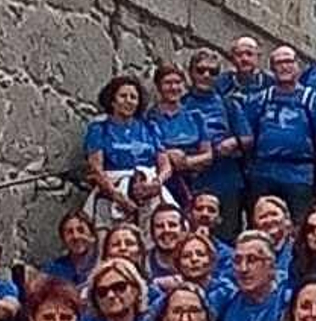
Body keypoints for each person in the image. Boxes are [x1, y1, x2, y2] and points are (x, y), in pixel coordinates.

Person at [249, 45, 316, 219]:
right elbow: (249, 137)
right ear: (271, 68)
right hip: (264, 171)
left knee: (299, 224)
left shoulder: (313, 99)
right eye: (279, 63)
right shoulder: (260, 99)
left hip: (300, 173)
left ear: (297, 66)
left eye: (289, 61)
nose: (284, 67)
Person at [82, 74, 170, 225]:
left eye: (133, 97)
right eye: (123, 96)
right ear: (112, 100)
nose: (129, 101)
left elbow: (165, 165)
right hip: (112, 191)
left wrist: (157, 183)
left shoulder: (150, 127)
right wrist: (118, 197)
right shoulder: (99, 129)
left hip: (149, 189)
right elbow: (96, 168)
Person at [183, 45, 251, 239]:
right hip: (192, 182)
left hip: (226, 180)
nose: (206, 75)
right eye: (201, 70)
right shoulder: (181, 104)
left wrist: (234, 142)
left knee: (227, 236)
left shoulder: (228, 104)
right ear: (191, 72)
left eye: (212, 72)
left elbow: (247, 138)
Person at [147, 61, 213, 209]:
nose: (173, 87)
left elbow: (208, 155)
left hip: (196, 181)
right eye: (167, 83)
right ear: (158, 87)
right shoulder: (149, 118)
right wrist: (168, 155)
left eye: (177, 82)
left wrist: (186, 162)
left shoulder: (195, 116)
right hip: (165, 182)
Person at [211, 231, 286, 321]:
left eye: (252, 260)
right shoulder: (225, 298)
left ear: (271, 266)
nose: (243, 269)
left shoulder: (288, 299)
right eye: (237, 261)